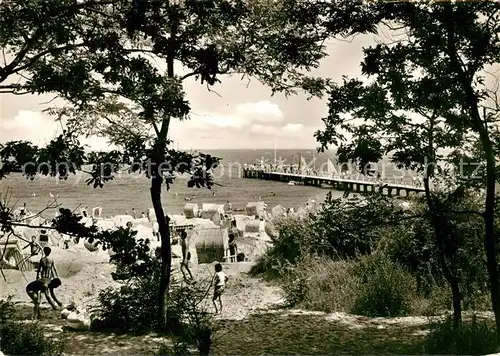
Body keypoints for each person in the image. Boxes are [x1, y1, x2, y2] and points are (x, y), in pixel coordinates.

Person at [37, 247, 59, 311]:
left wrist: (37, 277)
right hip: (49, 278)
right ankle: (56, 304)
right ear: (50, 252)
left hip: (43, 278)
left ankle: (38, 304)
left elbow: (39, 270)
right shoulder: (51, 259)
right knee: (51, 292)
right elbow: (54, 268)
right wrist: (56, 276)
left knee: (43, 292)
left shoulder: (42, 260)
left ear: (44, 252)